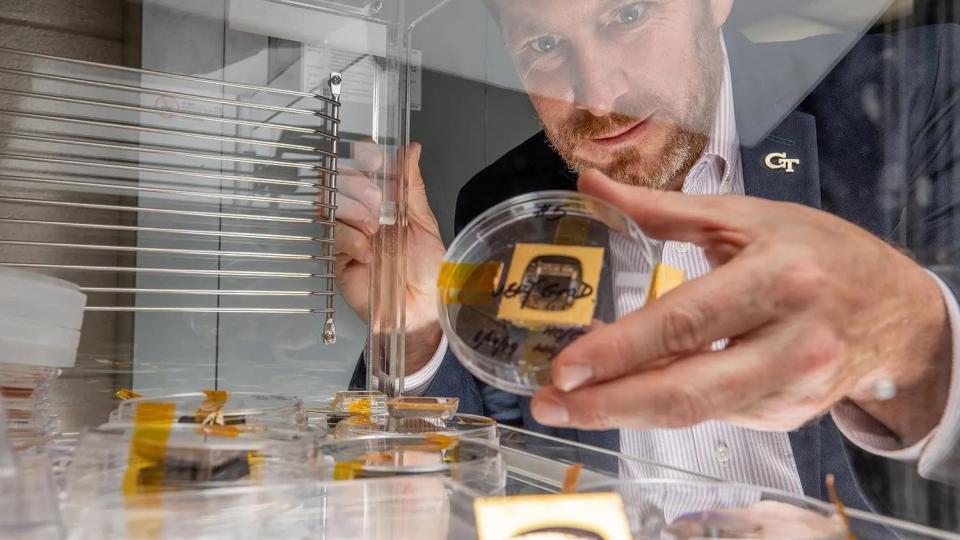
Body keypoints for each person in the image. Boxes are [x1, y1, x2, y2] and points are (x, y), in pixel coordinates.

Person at [336, 0, 959, 526]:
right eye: (545, 45)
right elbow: (484, 450)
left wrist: (907, 337)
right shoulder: (507, 203)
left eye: (627, 15)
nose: (598, 95)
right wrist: (414, 328)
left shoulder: (914, 92)